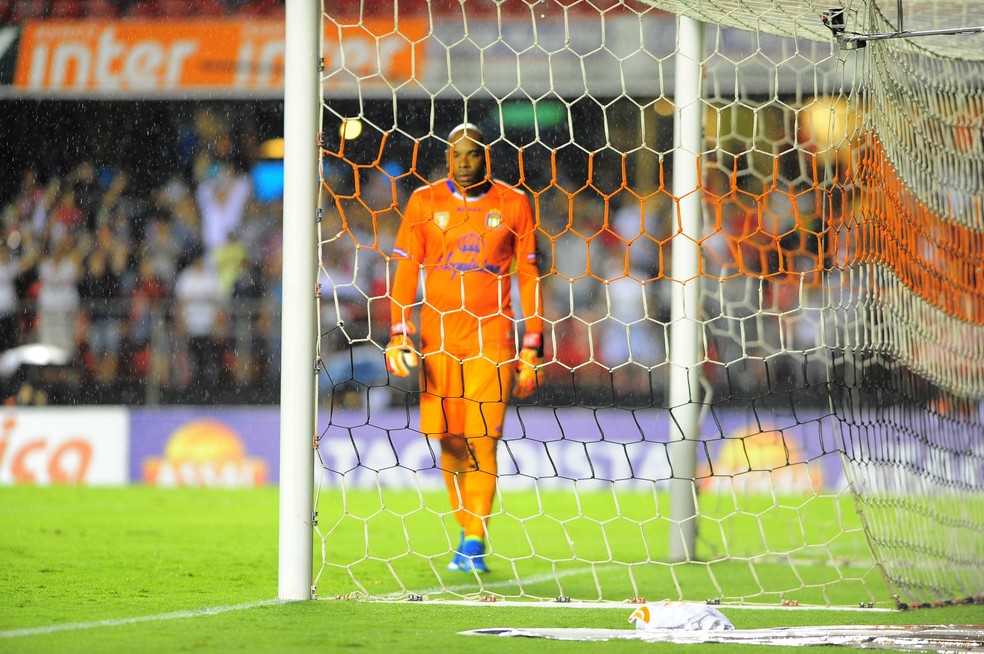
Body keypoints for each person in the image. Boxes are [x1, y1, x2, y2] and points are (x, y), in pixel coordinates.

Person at [385, 123, 543, 574]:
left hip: (491, 338)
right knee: (451, 443)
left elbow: (529, 275)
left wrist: (533, 343)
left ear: (487, 157)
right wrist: (399, 332)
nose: (464, 162)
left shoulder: (513, 203)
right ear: (447, 157)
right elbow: (405, 269)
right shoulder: (424, 201)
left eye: (473, 154)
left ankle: (476, 538)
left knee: (483, 439)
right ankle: (465, 534)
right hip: (438, 340)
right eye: (457, 155)